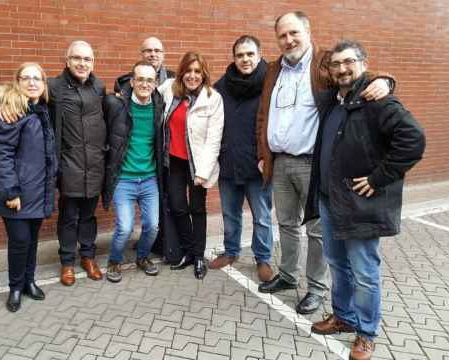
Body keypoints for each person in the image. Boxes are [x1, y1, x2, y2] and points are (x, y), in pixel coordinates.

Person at [255, 11, 395, 315]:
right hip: (280, 162)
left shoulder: (325, 62)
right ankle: (288, 276)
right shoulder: (273, 69)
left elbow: (356, 73)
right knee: (287, 224)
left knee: (317, 230)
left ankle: (316, 289)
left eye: (294, 33)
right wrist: (262, 154)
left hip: (314, 165)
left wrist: (385, 81)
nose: (288, 40)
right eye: (282, 35)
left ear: (307, 31)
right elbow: (264, 114)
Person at [305, 40, 425, 360]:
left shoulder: (378, 100)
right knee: (337, 265)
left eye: (349, 62)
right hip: (330, 201)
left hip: (360, 205)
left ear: (363, 63)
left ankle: (367, 333)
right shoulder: (333, 100)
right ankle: (344, 316)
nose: (342, 68)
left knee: (364, 272)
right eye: (336, 64)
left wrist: (378, 178)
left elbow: (413, 140)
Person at [0, 40, 107, 286]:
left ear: (93, 63)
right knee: (68, 216)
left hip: (94, 165)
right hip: (67, 165)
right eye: (76, 58)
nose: (82, 63)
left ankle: (88, 257)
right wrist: (4, 101)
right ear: (67, 61)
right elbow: (24, 92)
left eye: (87, 59)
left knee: (89, 216)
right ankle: (67, 262)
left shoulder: (99, 87)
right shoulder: (54, 87)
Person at [0, 62, 57, 312]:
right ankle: (15, 288)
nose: (32, 82)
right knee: (19, 241)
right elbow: (1, 156)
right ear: (16, 82)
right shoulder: (11, 111)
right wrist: (10, 192)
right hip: (17, 193)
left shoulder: (42, 110)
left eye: (37, 78)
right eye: (26, 78)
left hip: (39, 191)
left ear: (44, 84)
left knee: (32, 241)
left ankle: (29, 282)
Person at [211, 35, 275, 282]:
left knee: (262, 216)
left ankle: (263, 258)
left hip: (258, 166)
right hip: (229, 162)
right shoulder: (222, 85)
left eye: (250, 54)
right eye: (240, 55)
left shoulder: (271, 83)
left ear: (259, 55)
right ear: (234, 58)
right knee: (230, 213)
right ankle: (231, 251)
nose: (245, 59)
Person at [157, 51, 224, 279]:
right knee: (177, 206)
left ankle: (198, 257)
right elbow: (142, 87)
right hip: (174, 161)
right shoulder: (169, 90)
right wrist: (121, 92)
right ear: (181, 72)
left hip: (198, 164)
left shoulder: (212, 98)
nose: (192, 76)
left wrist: (203, 172)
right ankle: (187, 250)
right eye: (188, 71)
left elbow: (214, 139)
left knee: (197, 209)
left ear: (203, 74)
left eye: (197, 71)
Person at [102, 60, 165, 283]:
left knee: (152, 226)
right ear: (132, 81)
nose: (144, 84)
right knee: (125, 228)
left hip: (149, 179)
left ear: (156, 83)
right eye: (140, 79)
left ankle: (142, 257)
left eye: (149, 80)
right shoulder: (117, 104)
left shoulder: (160, 106)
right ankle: (114, 261)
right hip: (124, 179)